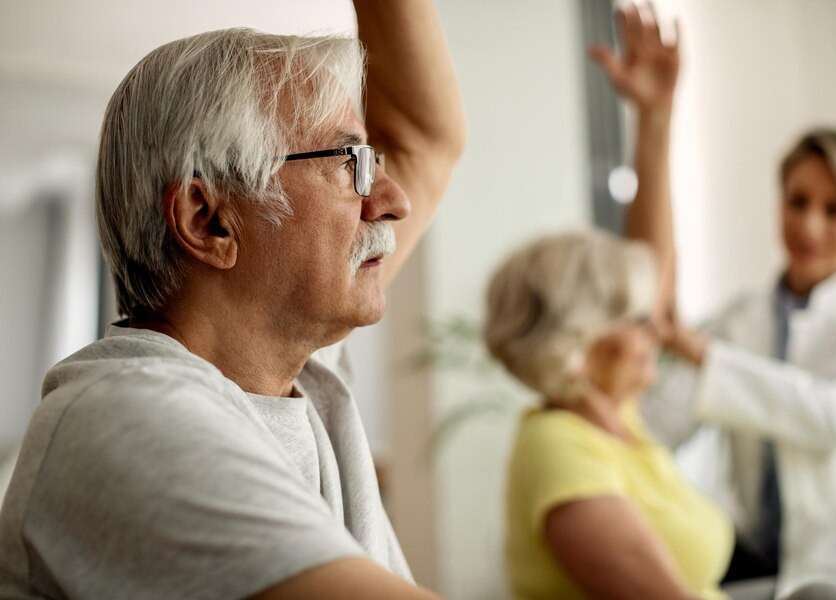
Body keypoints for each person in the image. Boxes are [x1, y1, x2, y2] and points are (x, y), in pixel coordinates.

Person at [0, 1, 464, 598]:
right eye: (350, 161)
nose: (393, 200)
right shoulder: (128, 417)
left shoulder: (288, 373)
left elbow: (424, 140)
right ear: (209, 221)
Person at [637, 26, 836, 600]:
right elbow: (660, 425)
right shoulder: (741, 316)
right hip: (761, 563)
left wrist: (705, 354)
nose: (809, 225)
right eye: (798, 201)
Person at [484, 7, 735, 599]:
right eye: (633, 320)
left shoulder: (613, 417)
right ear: (574, 346)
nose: (657, 327)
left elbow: (652, 274)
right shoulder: (558, 449)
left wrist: (654, 117)